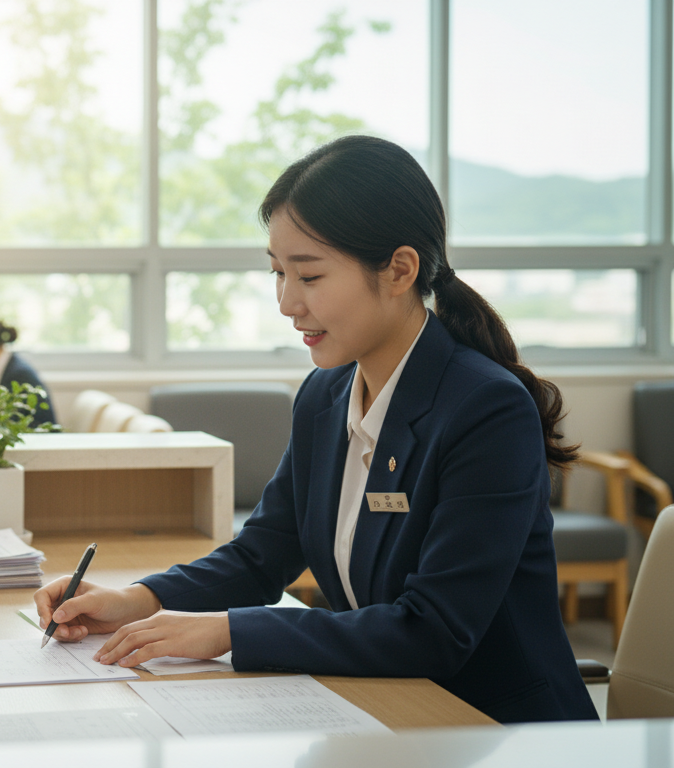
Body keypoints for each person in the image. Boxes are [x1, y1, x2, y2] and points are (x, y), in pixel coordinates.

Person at [33, 136, 597, 724]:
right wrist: (136, 601)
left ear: (400, 269)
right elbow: (262, 555)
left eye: (309, 276)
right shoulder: (326, 396)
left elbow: (434, 631)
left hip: (494, 729)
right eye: (278, 273)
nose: (285, 301)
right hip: (386, 712)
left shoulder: (485, 410)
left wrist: (227, 631)